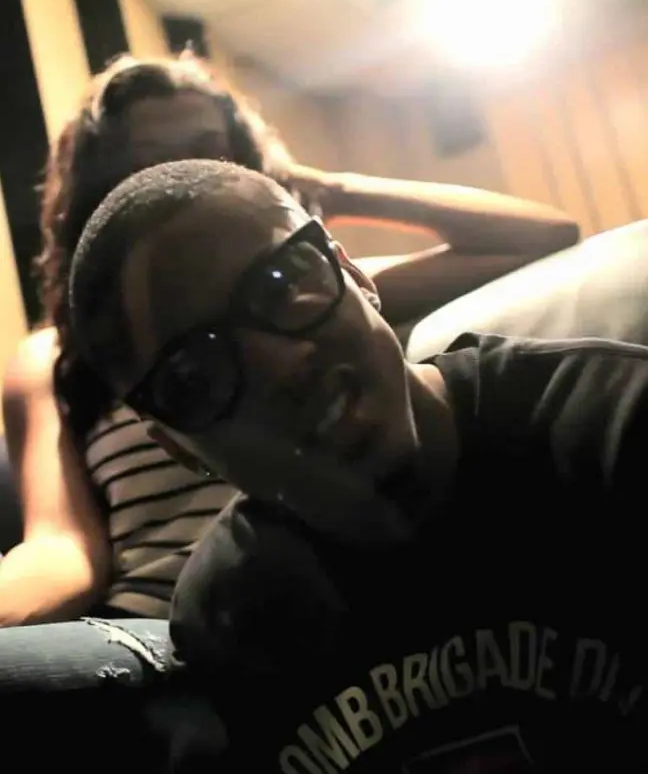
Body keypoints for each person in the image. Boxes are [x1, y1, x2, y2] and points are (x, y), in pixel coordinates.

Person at [65, 159, 646, 772]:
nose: (282, 366)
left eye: (284, 283)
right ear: (179, 447)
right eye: (195, 376)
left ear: (353, 274)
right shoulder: (229, 618)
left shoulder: (614, 427)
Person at [0, 51, 579, 626]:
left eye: (206, 149)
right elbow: (61, 549)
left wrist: (324, 189)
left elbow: (542, 234)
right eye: (147, 160)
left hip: (307, 612)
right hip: (144, 625)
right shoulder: (53, 356)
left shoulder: (314, 288)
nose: (180, 173)